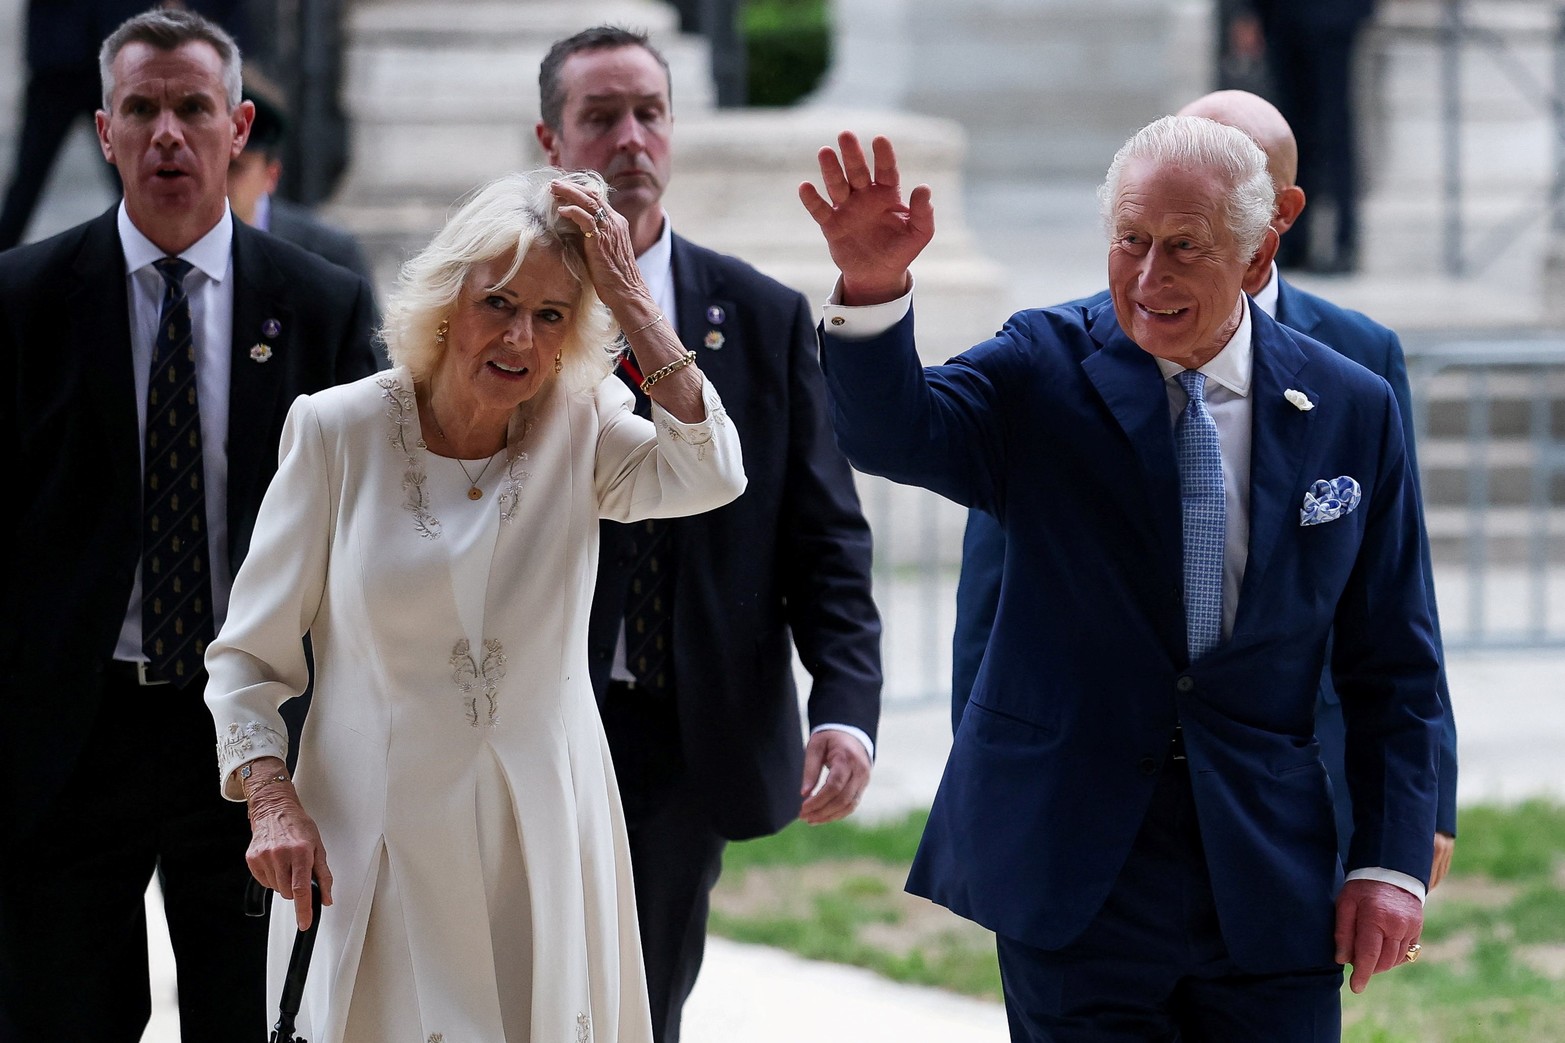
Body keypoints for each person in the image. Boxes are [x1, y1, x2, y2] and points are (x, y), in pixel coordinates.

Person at [802, 119, 1444, 1039]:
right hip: (1075, 862)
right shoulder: (1041, 364)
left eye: (1184, 247)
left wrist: (1388, 862)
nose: (1149, 279)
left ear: (1258, 254)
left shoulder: (1350, 405)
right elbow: (896, 433)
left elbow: (1396, 662)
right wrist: (871, 289)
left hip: (1267, 867)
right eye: (1130, 242)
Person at [204, 167, 746, 1042]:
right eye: (499, 302)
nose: (520, 338)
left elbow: (710, 472)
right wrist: (271, 799)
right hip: (377, 841)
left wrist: (634, 304)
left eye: (551, 315)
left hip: (544, 839)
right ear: (449, 300)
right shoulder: (335, 430)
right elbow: (246, 659)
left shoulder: (583, 418)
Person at [951, 89, 1457, 889]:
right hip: (1093, 794)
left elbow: (1396, 602)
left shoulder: (1358, 361)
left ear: (1274, 216)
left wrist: (1421, 800)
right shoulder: (1058, 355)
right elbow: (994, 580)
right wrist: (994, 785)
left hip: (1289, 791)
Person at [0, 8, 379, 1041]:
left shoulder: (323, 307)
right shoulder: (22, 300)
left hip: (254, 732)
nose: (168, 132)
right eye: (143, 108)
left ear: (238, 126)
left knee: (254, 1018)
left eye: (193, 108)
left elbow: (370, 525)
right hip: (67, 737)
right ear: (103, 131)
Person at [535, 26, 882, 1043]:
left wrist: (848, 702)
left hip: (688, 731)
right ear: (551, 138)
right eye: (600, 116)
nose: (630, 138)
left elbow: (824, 535)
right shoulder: (503, 308)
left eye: (649, 111)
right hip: (531, 713)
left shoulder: (762, 317)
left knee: (642, 1002)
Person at [1244, 0, 1378, 273]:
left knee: (1335, 128)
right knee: (1290, 131)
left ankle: (1344, 240)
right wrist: (1250, 13)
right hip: (1282, 15)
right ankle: (1293, 239)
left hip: (1334, 15)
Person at [227, 84, 376, 288]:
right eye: (211, 164)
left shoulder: (328, 256)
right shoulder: (175, 250)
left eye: (234, 168)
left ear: (271, 176)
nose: (218, 180)